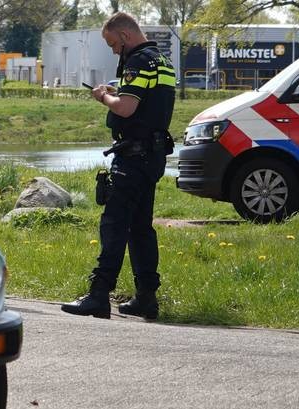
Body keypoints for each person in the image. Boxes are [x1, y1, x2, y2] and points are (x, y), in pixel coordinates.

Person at [61, 11, 175, 321]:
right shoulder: (162, 61)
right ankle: (146, 297)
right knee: (140, 228)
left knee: (113, 225)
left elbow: (126, 108)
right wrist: (119, 94)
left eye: (113, 44)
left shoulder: (138, 61)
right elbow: (146, 104)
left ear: (125, 37)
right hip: (152, 155)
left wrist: (104, 98)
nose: (113, 51)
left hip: (133, 156)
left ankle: (98, 294)